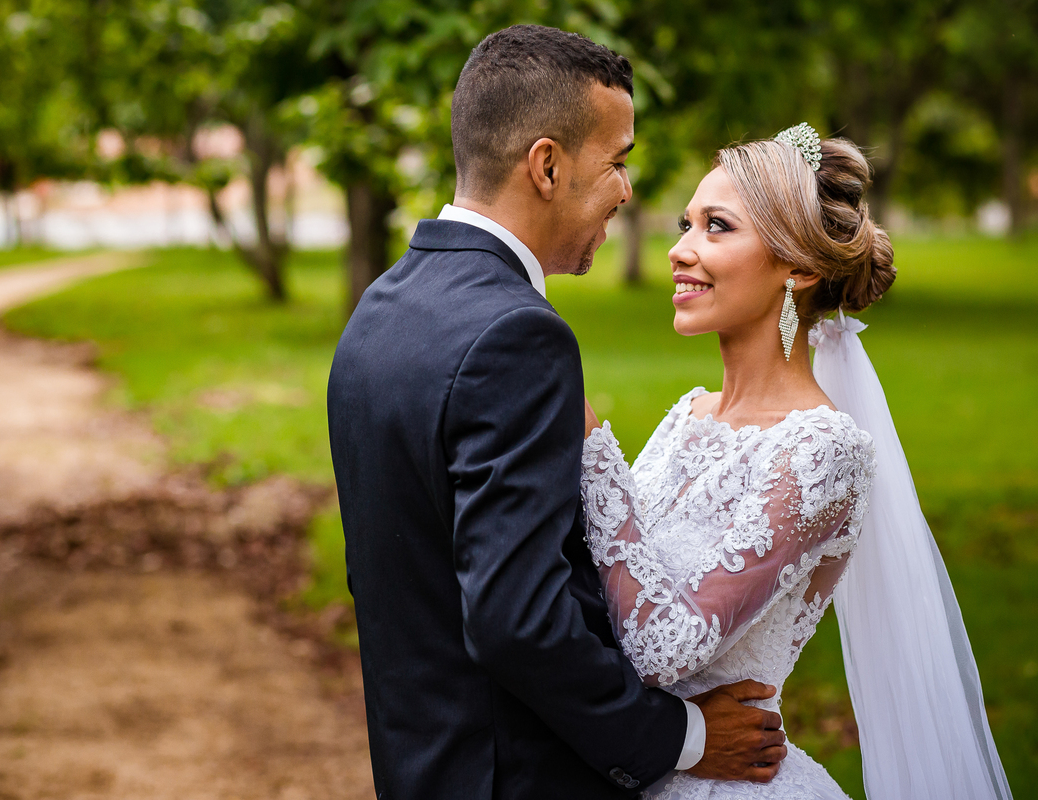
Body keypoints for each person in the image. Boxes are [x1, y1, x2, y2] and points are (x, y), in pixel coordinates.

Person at [328, 25, 786, 800]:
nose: (628, 190)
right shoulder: (517, 335)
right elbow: (516, 618)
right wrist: (681, 735)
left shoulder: (381, 309)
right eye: (617, 161)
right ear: (547, 165)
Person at [580, 125, 1013, 798]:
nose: (680, 251)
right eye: (685, 224)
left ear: (799, 268)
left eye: (716, 227)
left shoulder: (822, 453)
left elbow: (663, 648)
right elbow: (608, 582)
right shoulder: (686, 415)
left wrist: (591, 454)